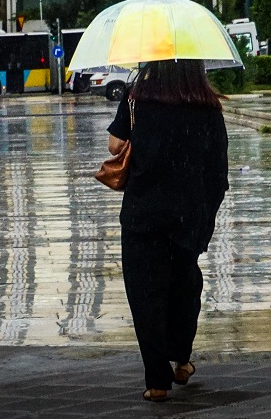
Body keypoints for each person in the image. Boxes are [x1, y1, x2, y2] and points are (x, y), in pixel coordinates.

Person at [106, 59, 229, 402]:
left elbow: (115, 147)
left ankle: (157, 381)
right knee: (184, 289)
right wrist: (206, 214)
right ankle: (182, 360)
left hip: (142, 215)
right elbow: (218, 171)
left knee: (145, 296)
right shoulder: (207, 107)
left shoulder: (136, 99)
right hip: (187, 215)